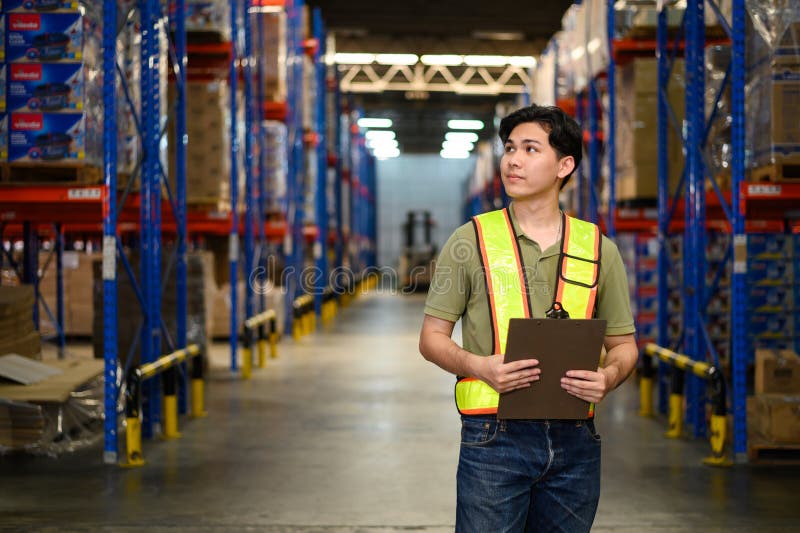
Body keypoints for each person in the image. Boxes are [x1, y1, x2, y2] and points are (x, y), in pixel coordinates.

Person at [418, 104, 637, 532]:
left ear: (564, 165)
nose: (513, 160)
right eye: (510, 148)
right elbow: (431, 339)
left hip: (576, 442)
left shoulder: (598, 248)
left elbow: (625, 347)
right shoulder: (469, 242)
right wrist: (480, 367)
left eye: (531, 149)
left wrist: (608, 378)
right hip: (492, 439)